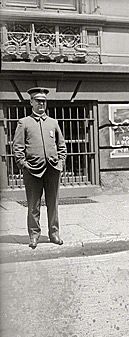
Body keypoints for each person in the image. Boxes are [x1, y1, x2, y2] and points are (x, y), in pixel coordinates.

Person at [12, 87, 66, 249]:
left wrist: (60, 163)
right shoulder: (24, 123)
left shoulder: (53, 123)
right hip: (32, 171)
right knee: (33, 205)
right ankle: (34, 235)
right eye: (38, 101)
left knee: (53, 204)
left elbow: (61, 145)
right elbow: (17, 147)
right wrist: (23, 165)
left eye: (44, 101)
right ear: (31, 102)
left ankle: (54, 233)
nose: (41, 104)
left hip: (52, 170)